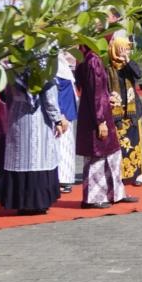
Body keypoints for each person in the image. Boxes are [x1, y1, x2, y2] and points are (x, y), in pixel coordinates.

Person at [0, 56, 65, 215]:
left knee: (20, 158)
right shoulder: (43, 70)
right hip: (38, 117)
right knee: (38, 157)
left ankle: (22, 203)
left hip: (17, 115)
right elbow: (49, 99)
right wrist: (57, 119)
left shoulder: (11, 68)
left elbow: (6, 95)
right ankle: (38, 202)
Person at [76, 45, 137, 209]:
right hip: (97, 115)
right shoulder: (93, 61)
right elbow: (95, 93)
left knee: (112, 154)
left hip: (99, 112)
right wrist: (100, 120)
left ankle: (115, 193)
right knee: (97, 157)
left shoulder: (87, 58)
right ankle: (93, 198)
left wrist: (107, 98)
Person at [107, 36, 142, 186]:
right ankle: (122, 173)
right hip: (117, 112)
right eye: (124, 48)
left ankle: (138, 173)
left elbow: (138, 75)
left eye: (128, 49)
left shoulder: (129, 65)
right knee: (121, 143)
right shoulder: (108, 68)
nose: (127, 51)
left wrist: (128, 60)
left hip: (133, 110)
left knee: (136, 142)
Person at [54, 53, 79, 193]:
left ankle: (66, 178)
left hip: (67, 113)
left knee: (66, 146)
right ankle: (61, 178)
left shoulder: (65, 72)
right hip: (62, 114)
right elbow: (56, 95)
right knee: (61, 145)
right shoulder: (57, 73)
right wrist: (61, 114)